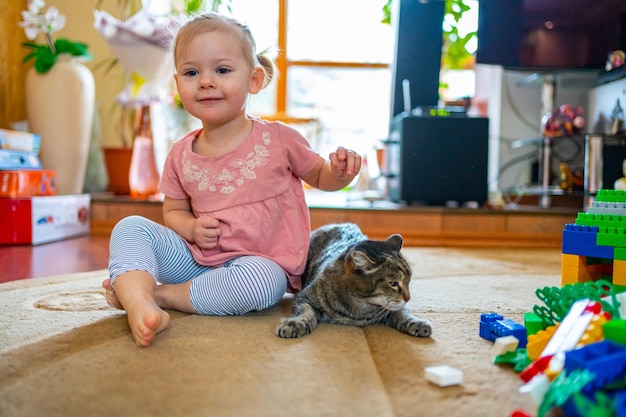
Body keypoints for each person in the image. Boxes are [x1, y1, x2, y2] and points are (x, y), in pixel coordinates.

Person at [102, 12, 362, 347]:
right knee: (130, 227)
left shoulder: (280, 139)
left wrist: (340, 173)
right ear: (177, 83)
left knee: (265, 284)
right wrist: (191, 229)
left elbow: (321, 176)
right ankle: (137, 300)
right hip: (194, 261)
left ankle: (161, 296)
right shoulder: (181, 154)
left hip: (255, 265)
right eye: (192, 72)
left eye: (222, 70)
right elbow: (173, 212)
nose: (206, 81)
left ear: (254, 79)